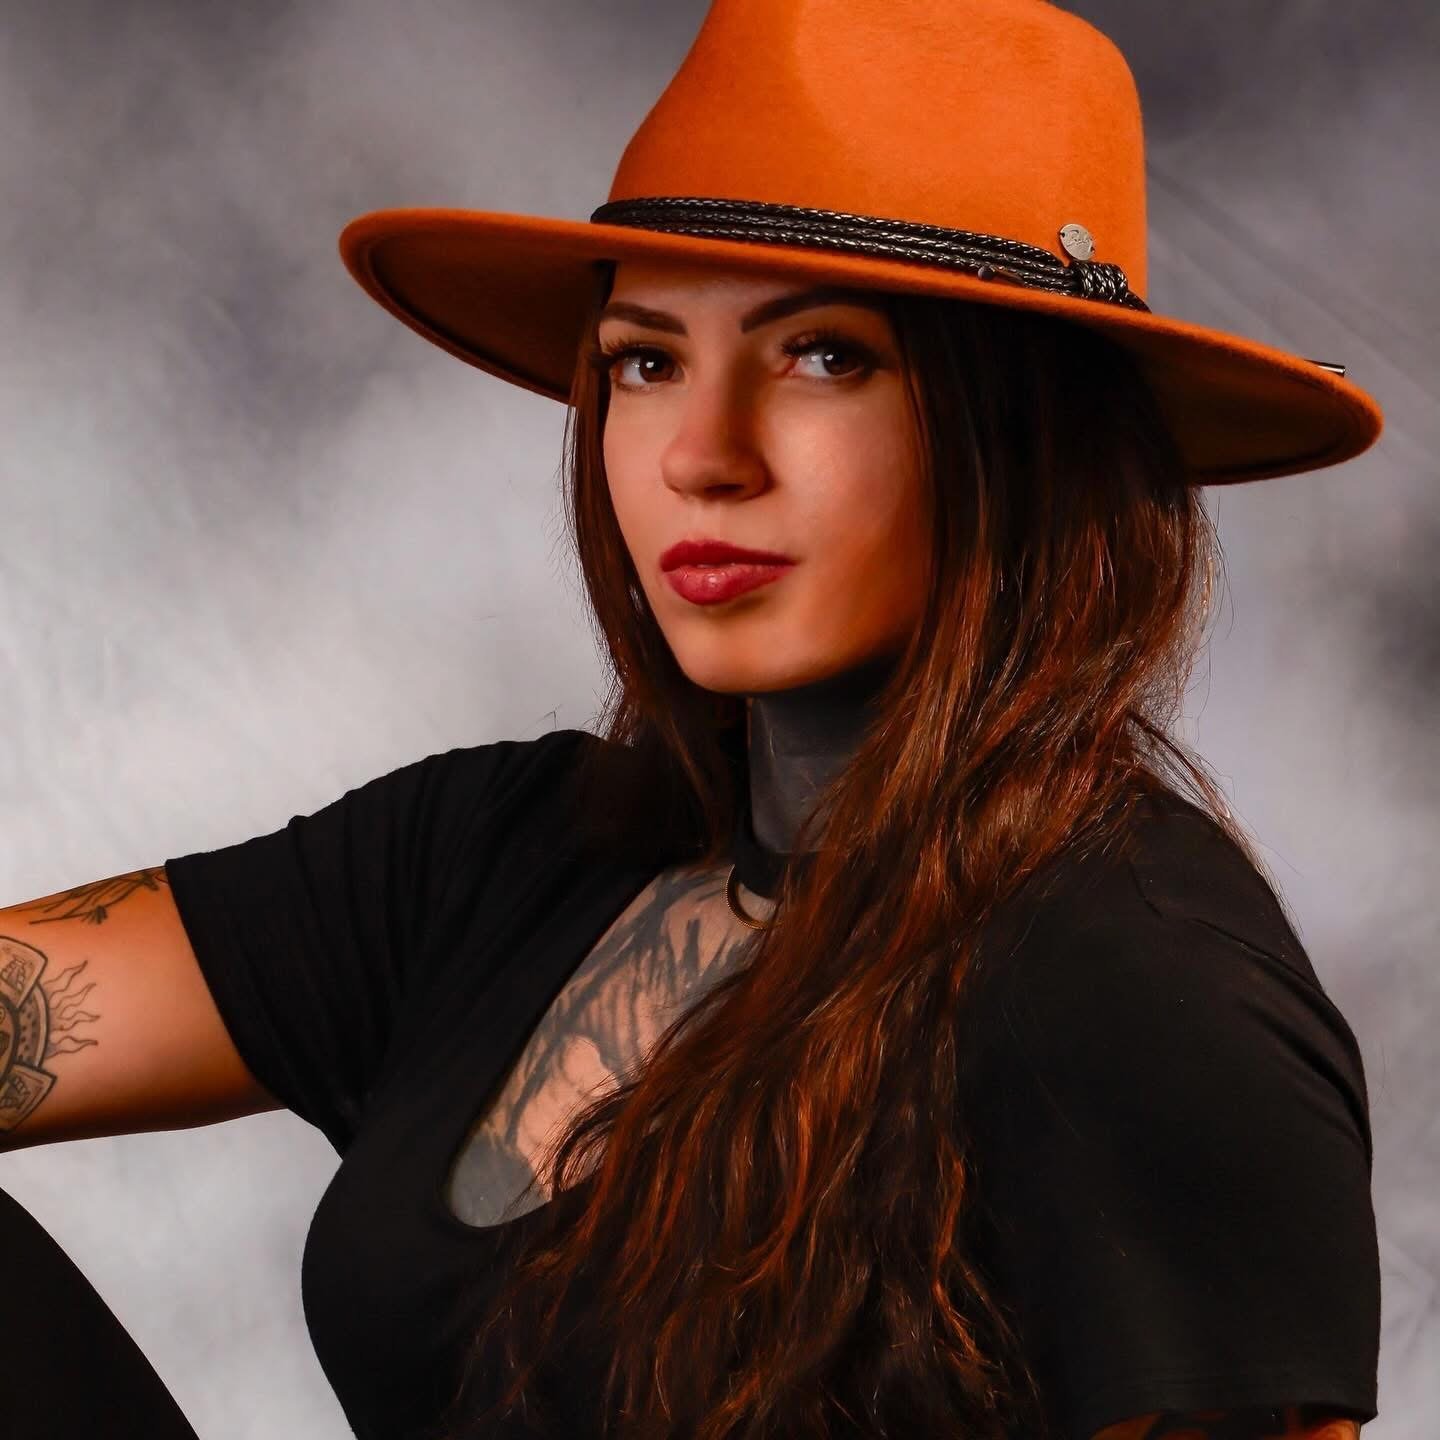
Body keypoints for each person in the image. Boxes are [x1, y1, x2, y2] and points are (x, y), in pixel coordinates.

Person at [0, 1, 1383, 1438]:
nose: (702, 456)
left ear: (1027, 431)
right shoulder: (496, 852)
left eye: (825, 356)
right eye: (647, 359)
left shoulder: (1142, 987)